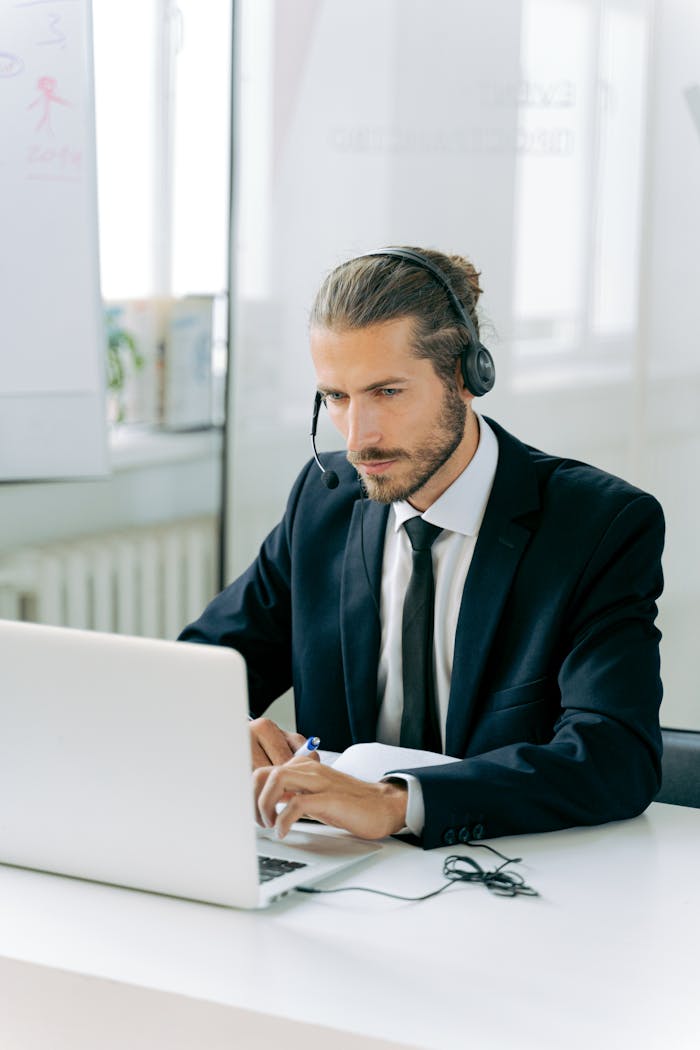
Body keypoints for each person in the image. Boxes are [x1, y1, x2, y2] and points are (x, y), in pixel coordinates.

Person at [179, 246, 665, 849]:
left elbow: (616, 756)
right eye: (336, 397)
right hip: (342, 871)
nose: (359, 438)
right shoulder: (322, 502)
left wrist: (397, 802)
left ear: (466, 377)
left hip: (509, 873)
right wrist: (224, 725)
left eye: (386, 392)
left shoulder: (598, 524)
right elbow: (198, 668)